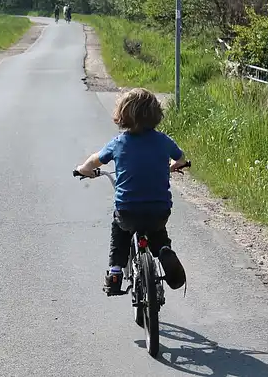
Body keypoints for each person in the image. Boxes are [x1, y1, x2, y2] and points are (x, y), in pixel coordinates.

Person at [75, 88, 187, 294]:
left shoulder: (118, 143)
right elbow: (180, 159)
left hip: (128, 210)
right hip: (159, 210)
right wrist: (172, 166)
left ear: (122, 115)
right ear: (156, 114)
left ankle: (115, 272)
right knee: (157, 233)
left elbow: (94, 159)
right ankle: (164, 251)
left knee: (120, 231)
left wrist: (84, 169)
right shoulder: (163, 141)